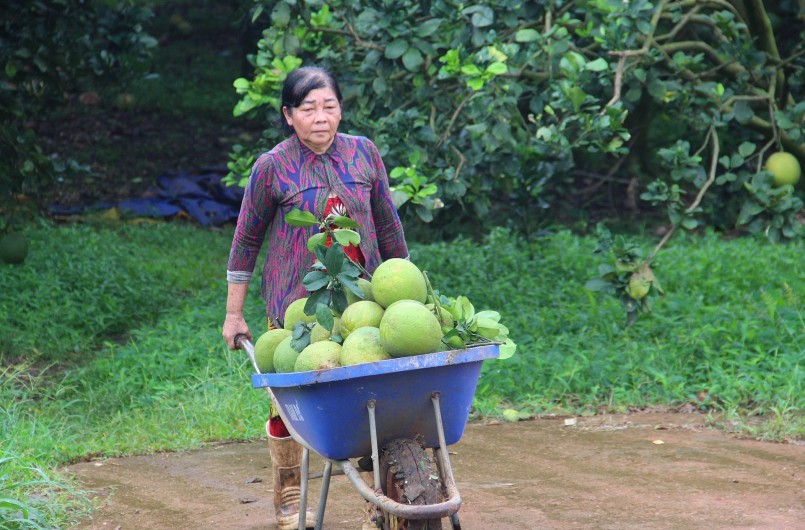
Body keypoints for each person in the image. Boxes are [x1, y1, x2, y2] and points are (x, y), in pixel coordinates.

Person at [222, 65, 410, 530]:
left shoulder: (364, 154)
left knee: (373, 395)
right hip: (295, 307)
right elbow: (246, 242)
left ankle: (381, 496)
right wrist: (233, 314)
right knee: (288, 400)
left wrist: (407, 294)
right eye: (308, 109)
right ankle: (289, 492)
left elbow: (388, 227)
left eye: (329, 106)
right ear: (289, 115)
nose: (321, 118)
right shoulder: (272, 167)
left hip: (362, 299)